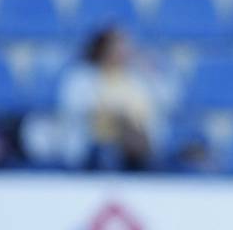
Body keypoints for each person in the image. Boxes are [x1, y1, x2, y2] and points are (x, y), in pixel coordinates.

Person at [58, 28, 171, 171]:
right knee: (110, 150)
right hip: (95, 144)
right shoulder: (82, 78)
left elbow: (165, 103)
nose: (123, 51)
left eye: (125, 47)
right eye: (117, 47)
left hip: (136, 144)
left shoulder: (138, 78)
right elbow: (77, 109)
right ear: (102, 49)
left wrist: (153, 73)